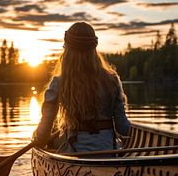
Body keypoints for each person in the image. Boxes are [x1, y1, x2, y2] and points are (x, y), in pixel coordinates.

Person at [33, 22, 130, 152]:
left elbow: (43, 136)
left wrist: (37, 137)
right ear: (94, 50)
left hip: (75, 155)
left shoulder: (58, 83)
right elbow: (123, 128)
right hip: (108, 153)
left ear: (67, 50)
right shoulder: (112, 80)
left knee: (52, 139)